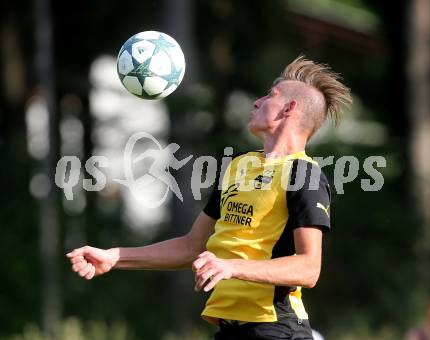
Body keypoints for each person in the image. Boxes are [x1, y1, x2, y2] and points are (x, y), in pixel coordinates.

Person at [67, 56, 352, 340]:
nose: (257, 102)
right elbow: (192, 246)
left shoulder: (303, 175)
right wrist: (114, 257)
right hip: (229, 330)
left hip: (277, 329)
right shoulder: (239, 167)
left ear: (289, 108)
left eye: (270, 96)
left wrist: (230, 266)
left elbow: (308, 268)